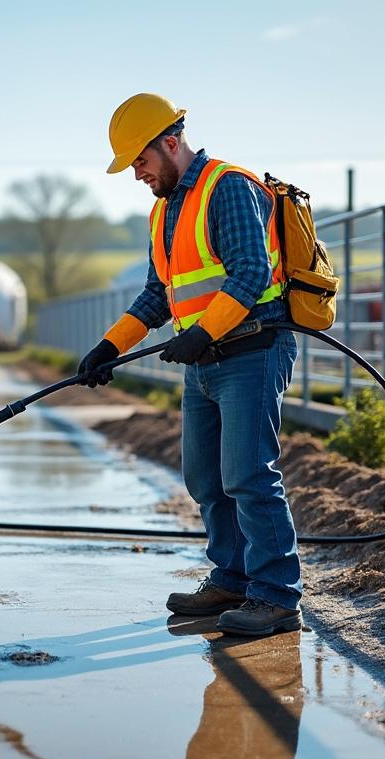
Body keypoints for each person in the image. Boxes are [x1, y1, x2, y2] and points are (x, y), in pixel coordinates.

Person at [80, 94, 302, 636]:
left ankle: (275, 598)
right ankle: (231, 578)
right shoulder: (164, 209)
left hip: (252, 350)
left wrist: (203, 332)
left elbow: (249, 274)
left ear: (170, 143)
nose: (137, 174)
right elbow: (158, 294)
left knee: (249, 476)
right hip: (204, 362)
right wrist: (109, 346)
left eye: (140, 161)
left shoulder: (227, 188)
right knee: (206, 478)